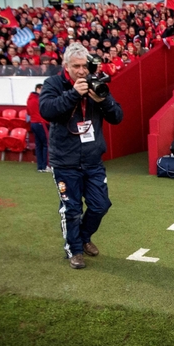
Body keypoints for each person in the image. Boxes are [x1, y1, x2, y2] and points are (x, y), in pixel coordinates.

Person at [39, 42, 124, 270]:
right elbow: (47, 111)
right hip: (65, 162)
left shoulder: (96, 83)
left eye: (84, 66)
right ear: (66, 66)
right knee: (72, 210)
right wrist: (74, 94)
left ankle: (84, 237)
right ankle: (74, 250)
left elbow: (117, 116)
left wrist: (102, 99)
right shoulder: (54, 84)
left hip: (93, 160)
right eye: (76, 66)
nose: (81, 71)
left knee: (100, 205)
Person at [27, 83, 50, 173]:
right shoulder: (40, 99)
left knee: (39, 145)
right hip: (41, 122)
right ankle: (45, 166)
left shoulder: (30, 99)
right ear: (38, 89)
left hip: (33, 123)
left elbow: (28, 112)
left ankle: (40, 166)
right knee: (46, 144)